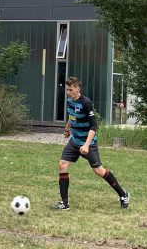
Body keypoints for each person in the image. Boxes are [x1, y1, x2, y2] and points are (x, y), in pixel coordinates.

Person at [55, 76, 129, 210]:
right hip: (75, 140)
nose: (68, 92)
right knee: (62, 165)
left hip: (88, 142)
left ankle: (123, 194)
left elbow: (94, 126)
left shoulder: (86, 103)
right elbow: (72, 116)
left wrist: (86, 145)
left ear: (78, 89)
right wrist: (67, 129)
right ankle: (64, 203)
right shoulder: (70, 101)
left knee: (99, 170)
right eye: (67, 90)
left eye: (70, 90)